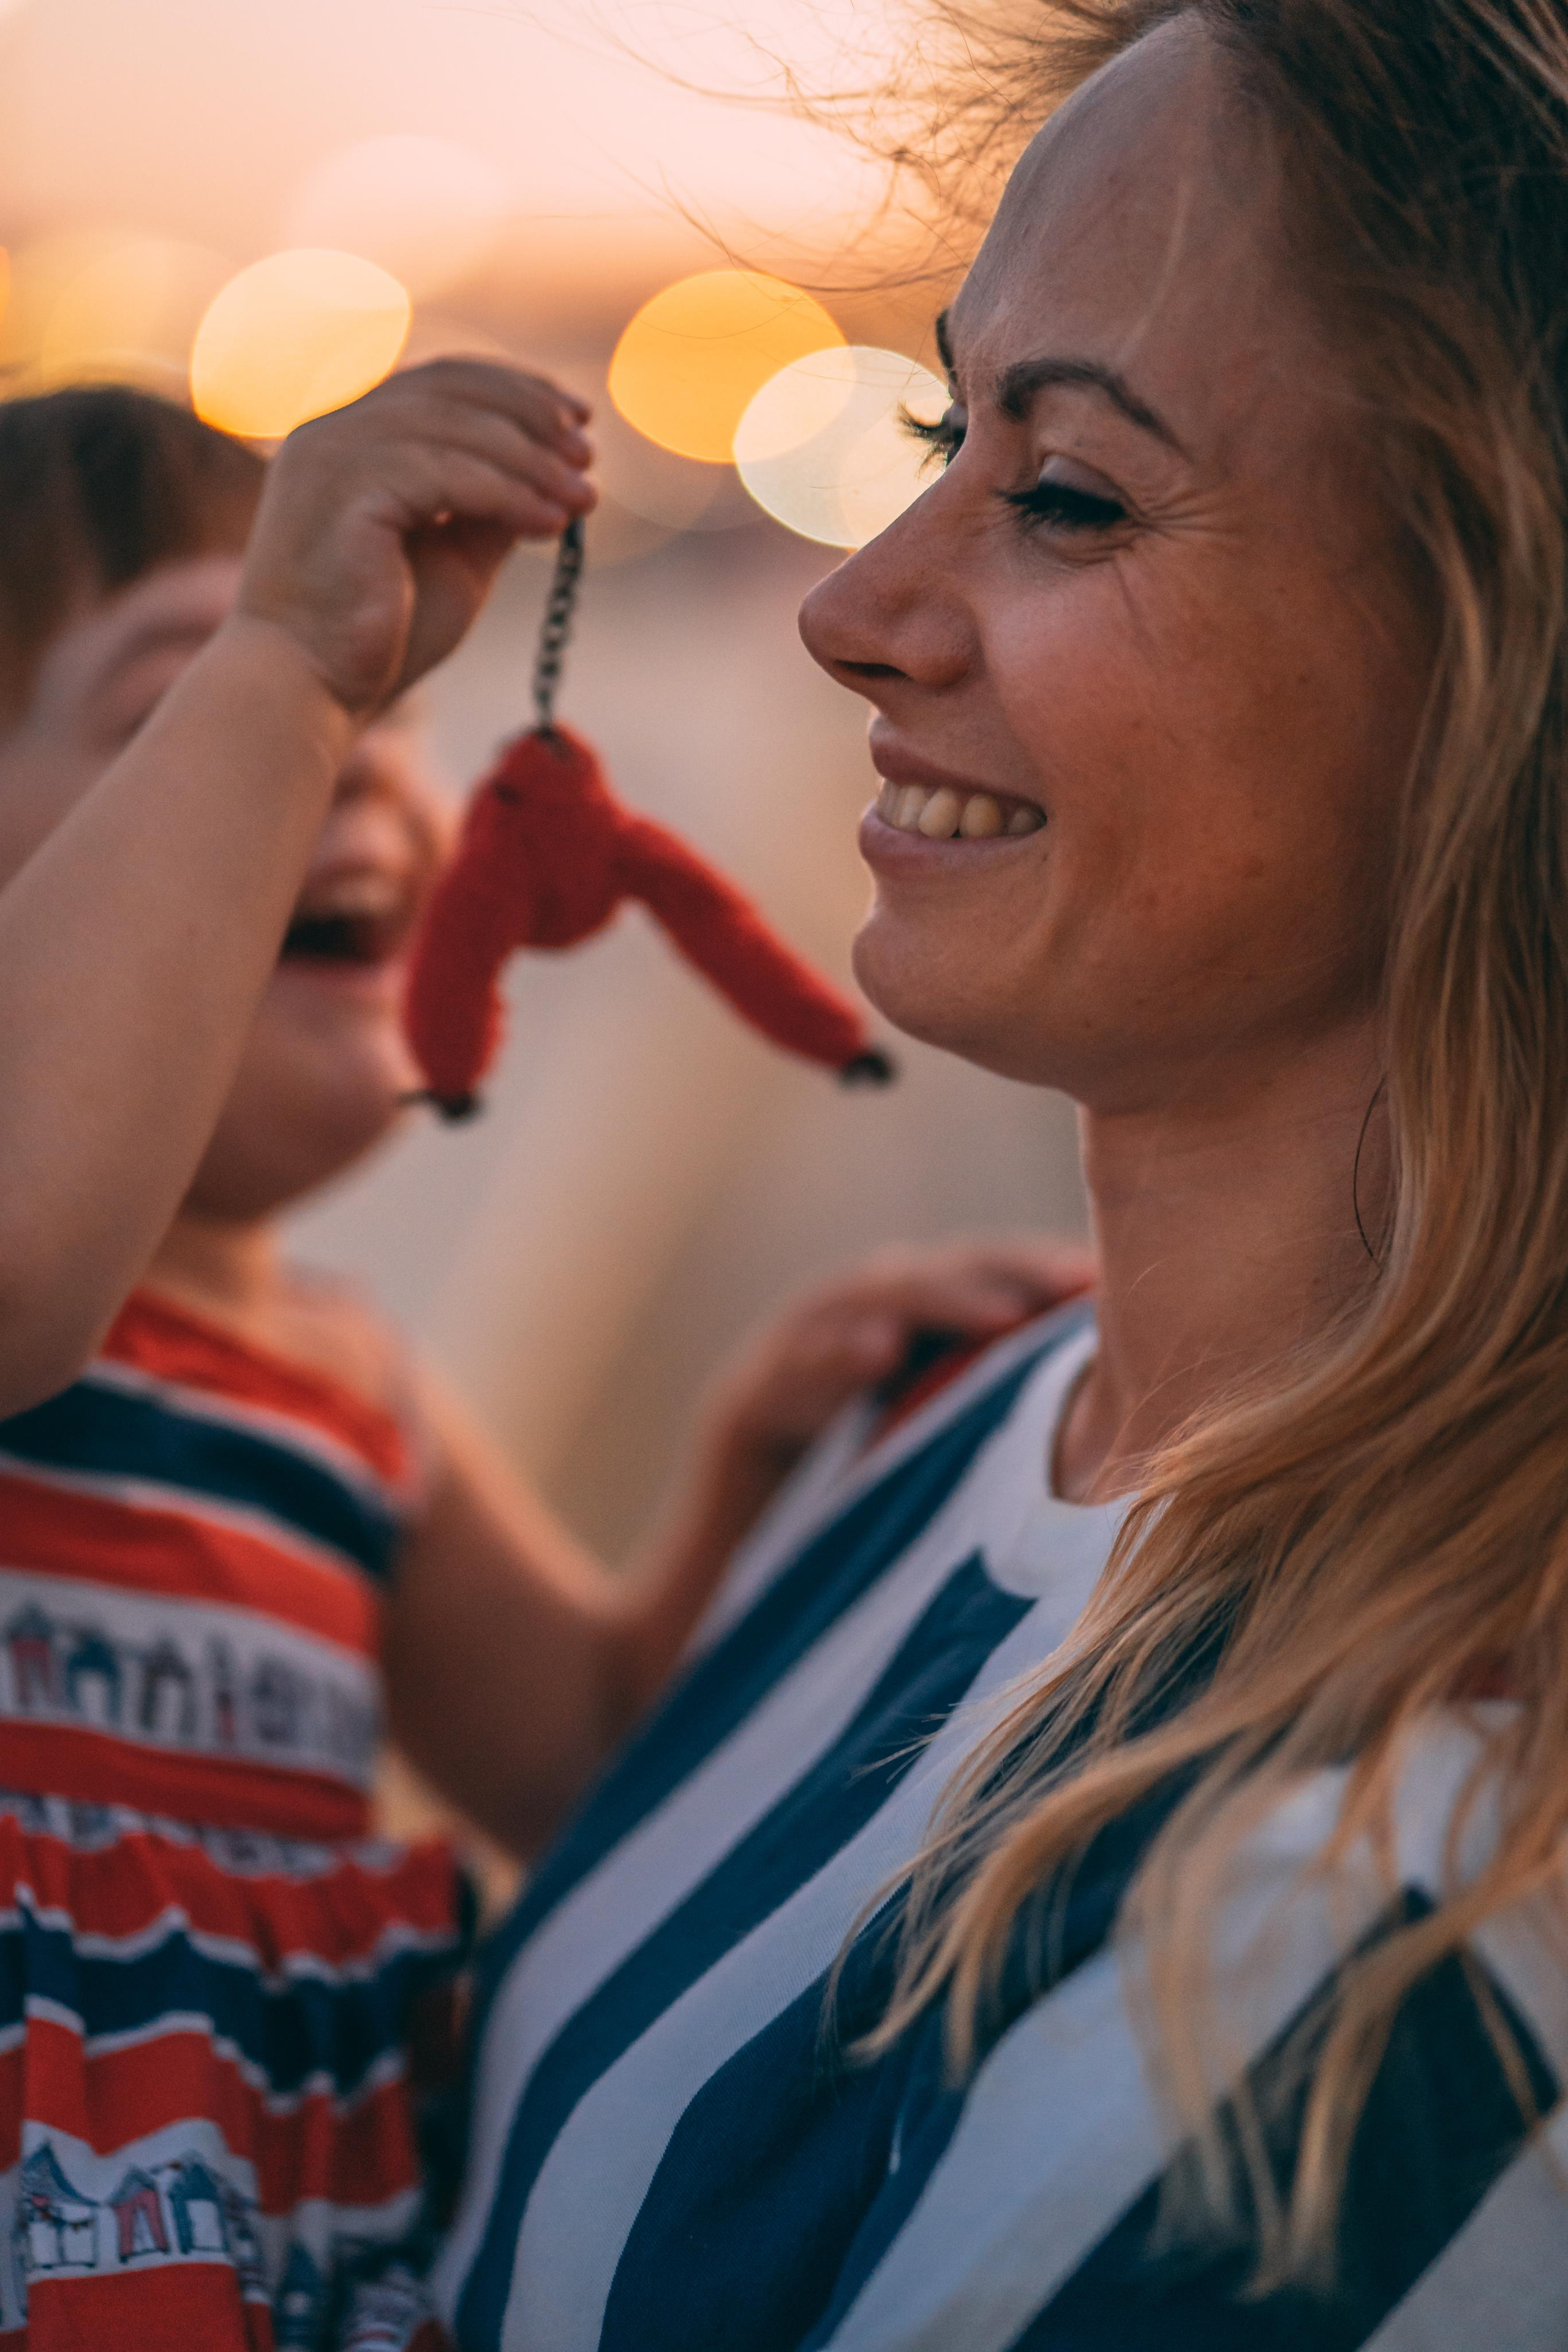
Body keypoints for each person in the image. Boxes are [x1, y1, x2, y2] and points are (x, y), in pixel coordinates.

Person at [434, 3, 1568, 2346]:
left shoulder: (1382, 1938)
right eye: (955, 426)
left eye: (1066, 491)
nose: (855, 608)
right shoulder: (959, 1416)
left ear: (1503, 668)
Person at [0, 381, 1090, 2349]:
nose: (340, 755)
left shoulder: (346, 1389)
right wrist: (274, 664)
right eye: (191, 712)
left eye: (390, 710)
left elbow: (590, 1764)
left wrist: (752, 1458)